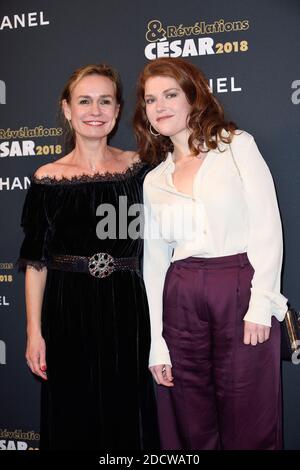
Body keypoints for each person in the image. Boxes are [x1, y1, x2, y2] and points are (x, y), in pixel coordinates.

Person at [133, 57, 288, 450]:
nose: (160, 106)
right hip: (180, 296)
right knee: (190, 419)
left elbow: (267, 227)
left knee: (250, 417)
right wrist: (157, 342)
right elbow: (154, 263)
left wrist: (260, 304)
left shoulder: (236, 147)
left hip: (239, 287)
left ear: (193, 97)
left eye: (170, 94)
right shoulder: (154, 180)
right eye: (151, 100)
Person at [18, 63, 159, 450]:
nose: (94, 110)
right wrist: (34, 332)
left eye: (104, 101)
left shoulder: (139, 170)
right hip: (67, 310)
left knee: (127, 414)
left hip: (127, 308)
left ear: (116, 111)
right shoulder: (47, 178)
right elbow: (35, 263)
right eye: (84, 101)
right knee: (72, 415)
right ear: (67, 109)